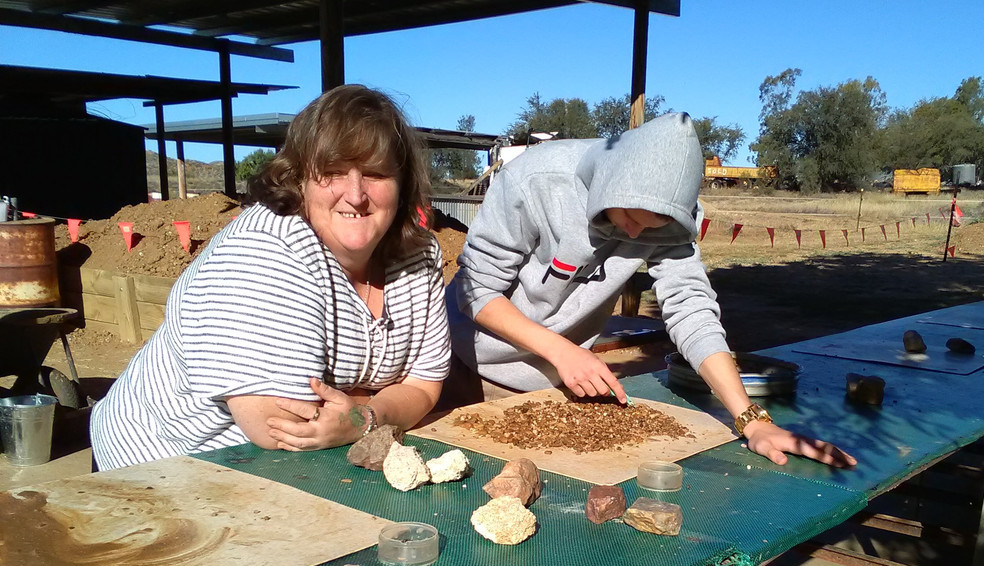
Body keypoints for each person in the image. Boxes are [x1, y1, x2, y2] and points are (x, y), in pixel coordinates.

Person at [445, 112, 854, 468]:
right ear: (608, 185)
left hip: (554, 384)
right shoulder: (535, 181)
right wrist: (560, 348)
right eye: (628, 217)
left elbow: (690, 308)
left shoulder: (673, 219)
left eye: (652, 227)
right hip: (468, 364)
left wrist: (752, 420)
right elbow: (475, 289)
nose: (637, 234)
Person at [90, 85, 450, 471]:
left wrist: (361, 416)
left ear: (402, 182)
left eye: (376, 173)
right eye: (331, 172)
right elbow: (280, 427)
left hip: (286, 467)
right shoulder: (267, 250)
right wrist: (376, 400)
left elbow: (425, 388)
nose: (356, 194)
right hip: (162, 463)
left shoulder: (420, 256)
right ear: (299, 180)